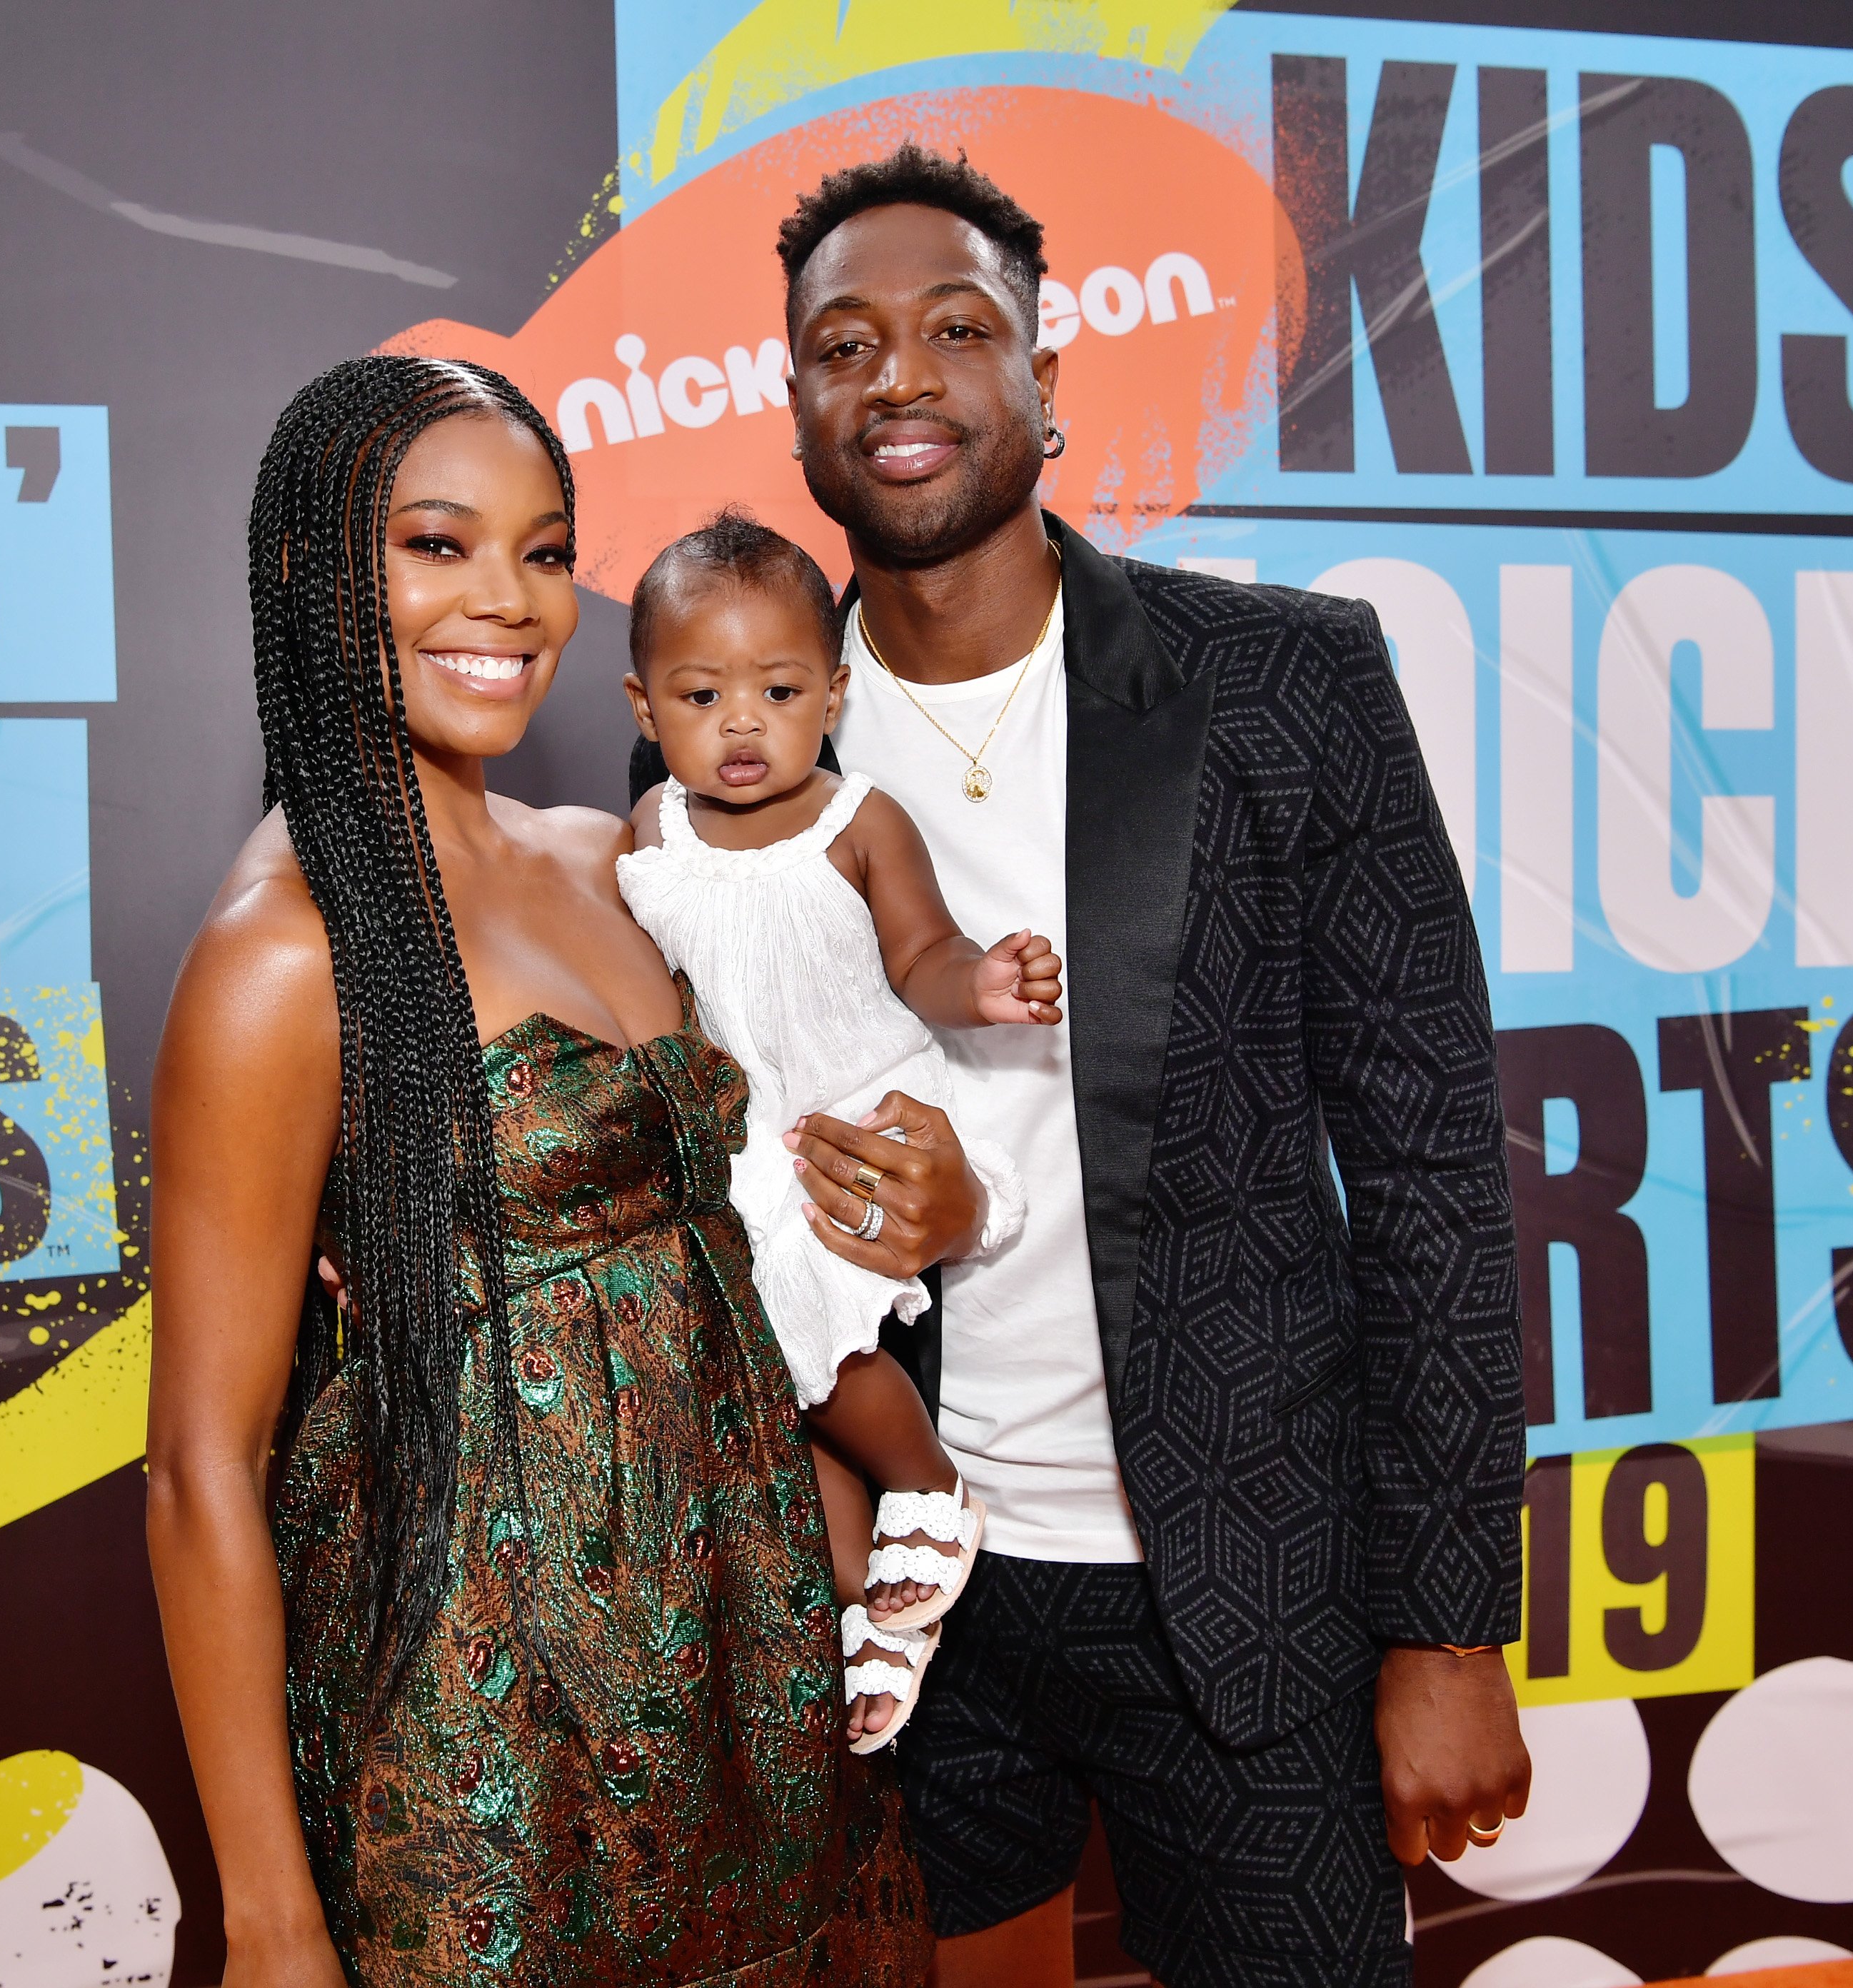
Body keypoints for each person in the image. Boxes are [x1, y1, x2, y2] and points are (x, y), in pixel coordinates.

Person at [632, 149, 1533, 1987]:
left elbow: (1433, 1164)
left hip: (1253, 1592)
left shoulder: (1287, 680)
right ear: (792, 402)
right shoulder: (726, 732)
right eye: (844, 343)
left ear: (1050, 379)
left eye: (960, 330)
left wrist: (1449, 1626)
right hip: (905, 1593)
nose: (901, 378)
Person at [145, 354, 935, 1987]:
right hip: (481, 1726)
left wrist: (937, 1203)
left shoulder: (610, 853)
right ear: (312, 570)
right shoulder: (289, 953)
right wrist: (271, 1922)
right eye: (438, 545)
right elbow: (196, 1470)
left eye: (546, 548)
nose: (507, 601)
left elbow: (772, 1160)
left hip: (739, 1656)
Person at [613, 508, 1065, 1752]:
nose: (744, 722)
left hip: (854, 1118)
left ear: (835, 693)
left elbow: (921, 952)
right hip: (739, 1137)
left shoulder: (857, 819)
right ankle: (871, 1607)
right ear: (647, 710)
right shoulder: (650, 838)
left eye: (779, 688)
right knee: (748, 1372)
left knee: (805, 1293)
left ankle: (927, 1481)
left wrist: (982, 985)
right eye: (704, 694)